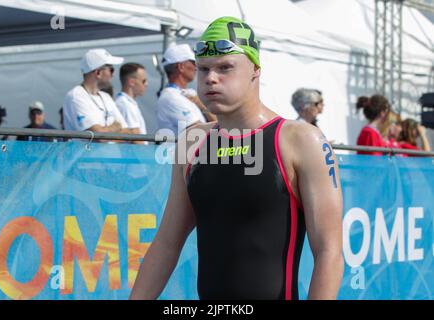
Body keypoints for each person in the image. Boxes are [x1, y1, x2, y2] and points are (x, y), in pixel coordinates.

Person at [131, 16, 344, 300]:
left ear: (255, 70)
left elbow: (329, 251)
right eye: (204, 69)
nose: (211, 78)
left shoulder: (300, 140)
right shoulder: (193, 141)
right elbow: (167, 243)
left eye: (225, 67)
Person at [63, 48, 139, 143]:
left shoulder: (106, 97)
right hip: (86, 157)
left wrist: (106, 133)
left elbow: (128, 133)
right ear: (98, 72)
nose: (113, 75)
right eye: (111, 70)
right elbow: (99, 136)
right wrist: (115, 127)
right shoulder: (76, 96)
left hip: (108, 157)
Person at [157, 44, 217, 136]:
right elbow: (199, 132)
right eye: (193, 63)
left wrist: (203, 107)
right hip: (182, 150)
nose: (196, 67)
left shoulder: (183, 94)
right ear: (181, 67)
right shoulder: (171, 98)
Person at [115, 63, 148, 144]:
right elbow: (136, 138)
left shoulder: (127, 103)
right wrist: (147, 155)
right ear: (131, 82)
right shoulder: (125, 104)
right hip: (137, 155)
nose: (147, 84)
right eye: (144, 81)